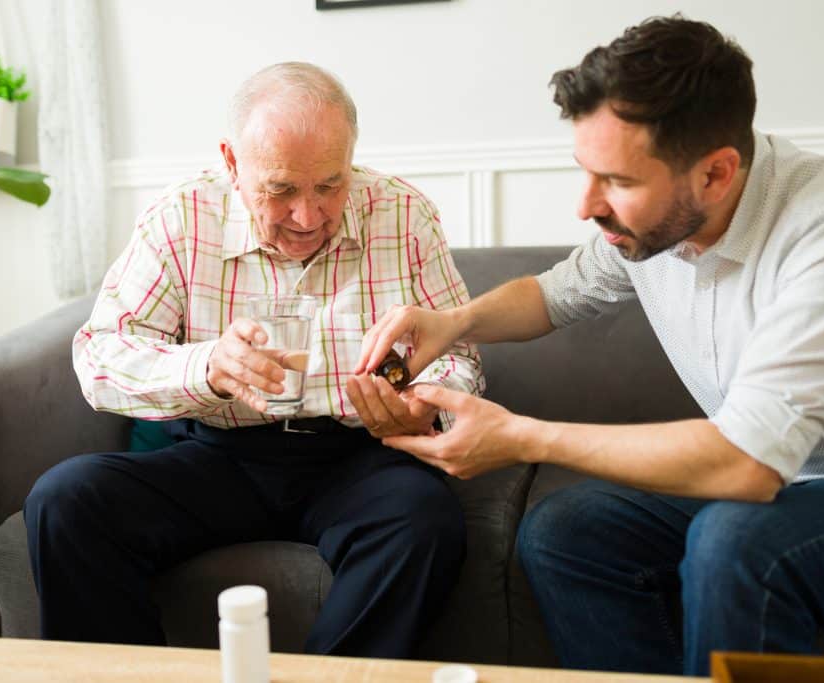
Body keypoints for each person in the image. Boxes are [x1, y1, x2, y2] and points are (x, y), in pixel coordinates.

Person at [354, 15, 824, 676]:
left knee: (735, 542)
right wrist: (452, 322)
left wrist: (523, 437)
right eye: (587, 173)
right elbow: (555, 294)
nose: (586, 205)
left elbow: (748, 463)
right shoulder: (653, 227)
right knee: (567, 531)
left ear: (716, 174)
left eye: (618, 182)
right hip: (787, 482)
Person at [24, 62, 483, 657]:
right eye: (282, 189)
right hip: (218, 456)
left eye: (330, 185)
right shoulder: (181, 218)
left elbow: (458, 354)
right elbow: (101, 355)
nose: (308, 217)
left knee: (424, 521)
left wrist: (424, 406)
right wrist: (207, 368)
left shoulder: (402, 214)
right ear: (232, 162)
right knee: (65, 500)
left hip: (359, 458)